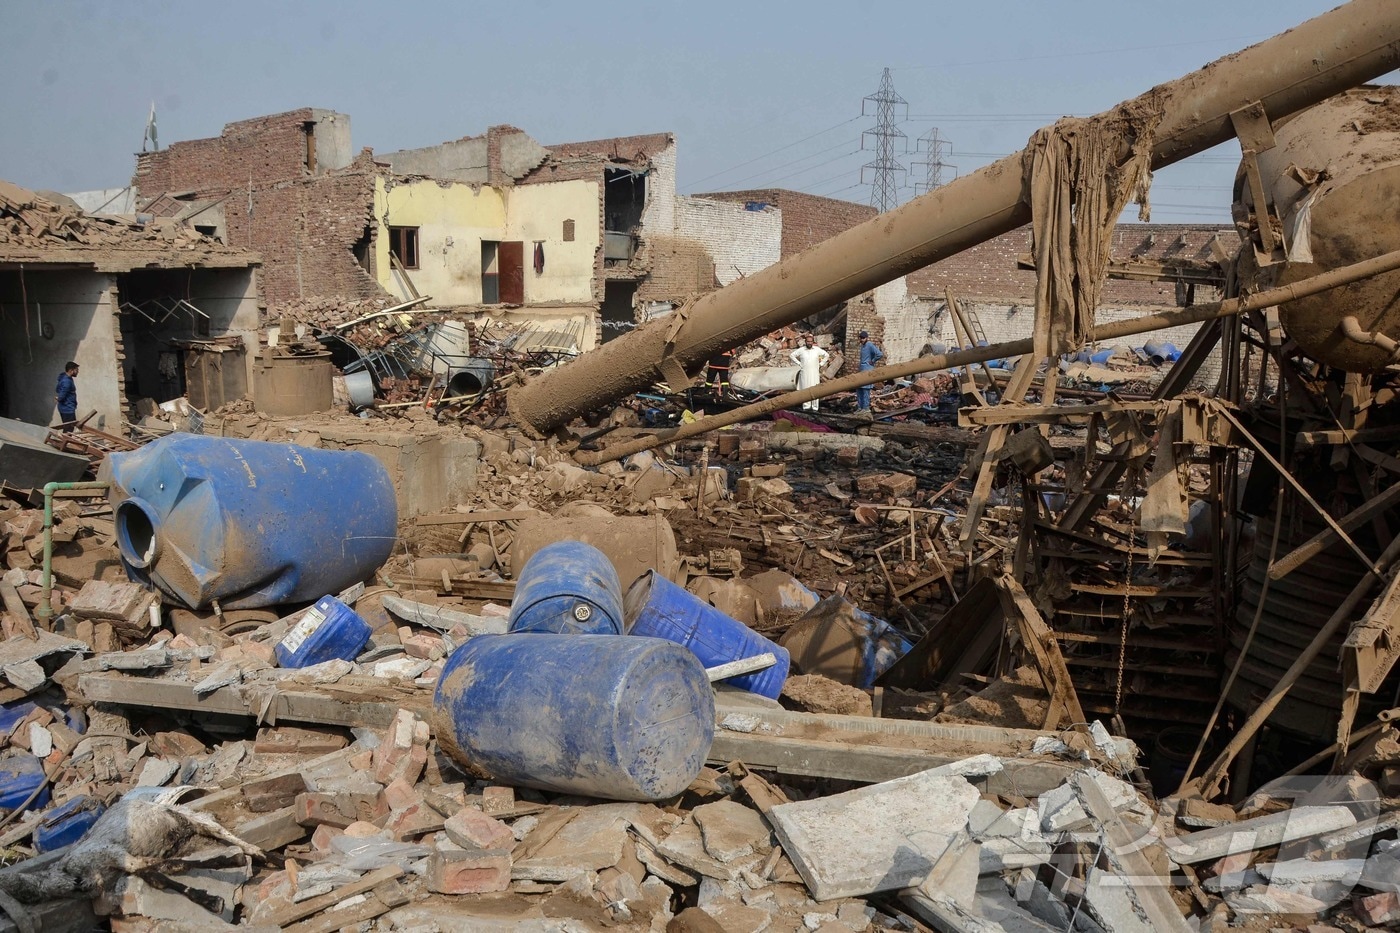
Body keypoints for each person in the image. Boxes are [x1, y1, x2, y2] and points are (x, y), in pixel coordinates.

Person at [790, 334, 830, 412]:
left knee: (815, 389)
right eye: (808, 341)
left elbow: (826, 355)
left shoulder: (817, 349)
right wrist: (799, 363)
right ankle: (806, 406)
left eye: (811, 341)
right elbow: (792, 355)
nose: (809, 343)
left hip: (814, 373)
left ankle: (815, 407)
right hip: (804, 373)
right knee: (805, 389)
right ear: (805, 342)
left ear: (813, 342)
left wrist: (821, 364)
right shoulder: (801, 350)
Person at [856, 331, 884, 413]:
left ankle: (865, 408)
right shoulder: (862, 346)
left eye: (863, 338)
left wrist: (873, 361)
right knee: (859, 389)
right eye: (860, 338)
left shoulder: (869, 345)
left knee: (865, 389)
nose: (861, 340)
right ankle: (860, 407)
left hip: (868, 370)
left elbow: (879, 354)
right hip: (861, 370)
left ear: (866, 338)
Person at [54, 361, 79, 432]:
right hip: (67, 408)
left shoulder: (64, 378)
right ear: (71, 371)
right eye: (76, 370)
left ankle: (65, 441)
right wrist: (59, 398)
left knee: (68, 427)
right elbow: (62, 394)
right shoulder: (67, 381)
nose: (77, 372)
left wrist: (58, 398)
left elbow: (57, 389)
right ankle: (64, 442)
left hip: (66, 407)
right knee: (69, 428)